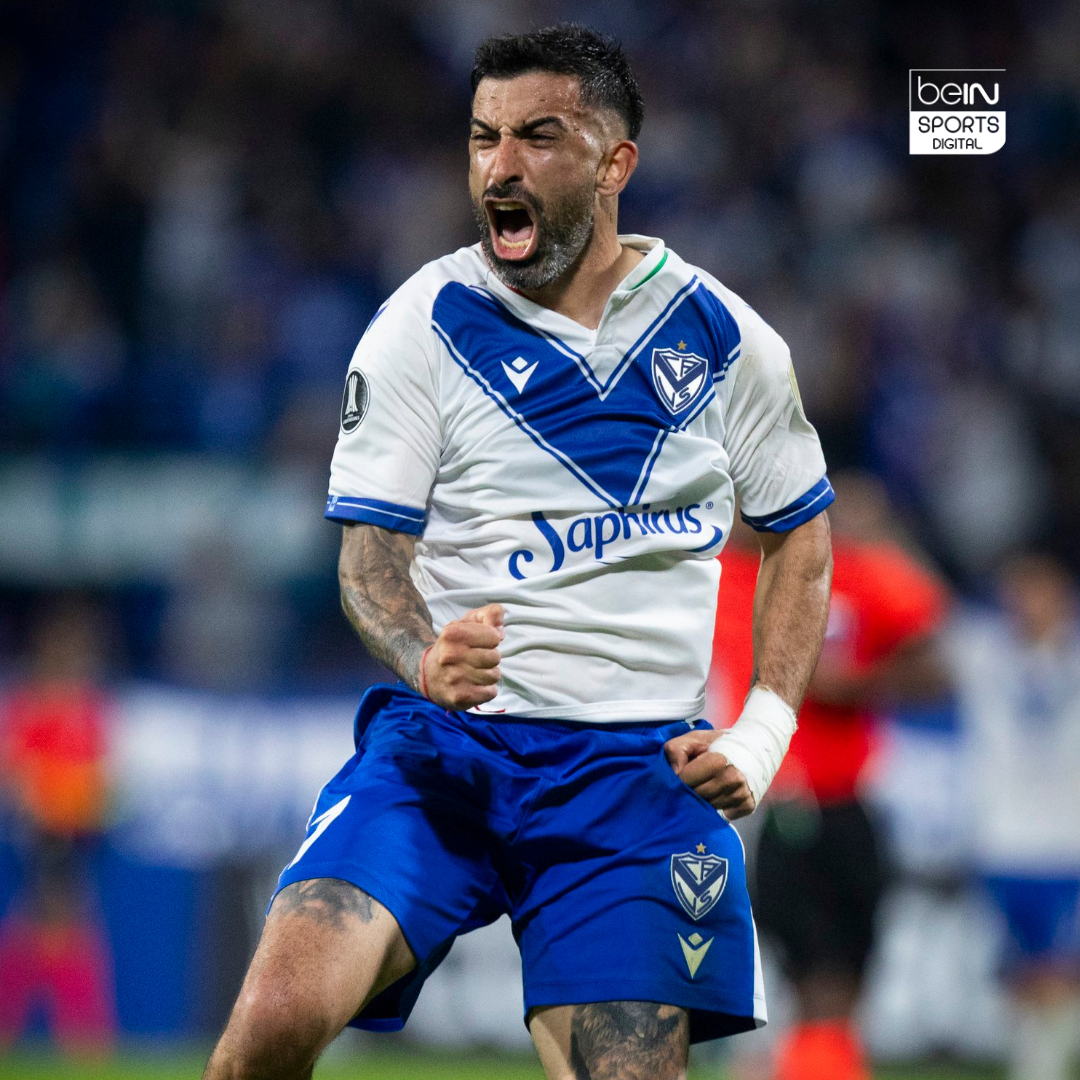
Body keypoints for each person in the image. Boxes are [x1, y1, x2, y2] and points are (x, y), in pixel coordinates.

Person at [204, 25, 834, 1080]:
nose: (499, 166)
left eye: (538, 137)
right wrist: (422, 656)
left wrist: (765, 731)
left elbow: (800, 535)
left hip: (633, 780)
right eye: (483, 137)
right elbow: (368, 560)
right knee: (265, 1033)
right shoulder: (424, 324)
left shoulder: (728, 341)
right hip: (444, 755)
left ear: (614, 163)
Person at [709, 472, 949, 1080]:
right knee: (814, 981)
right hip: (775, 806)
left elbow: (937, 664)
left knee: (843, 985)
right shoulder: (718, 574)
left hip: (851, 803)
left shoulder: (854, 572)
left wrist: (856, 683)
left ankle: (806, 1062)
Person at [950, 553, 1080, 1080]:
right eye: (1018, 590)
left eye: (1038, 589)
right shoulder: (981, 650)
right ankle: (1037, 1058)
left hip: (1068, 839)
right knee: (1017, 969)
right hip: (1001, 839)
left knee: (1061, 964)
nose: (1027, 602)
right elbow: (922, 604)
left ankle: (1043, 1063)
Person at [0, 597, 116, 1054]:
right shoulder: (35, 706)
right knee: (60, 925)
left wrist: (90, 802)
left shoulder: (87, 707)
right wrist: (42, 807)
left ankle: (75, 1032)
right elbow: (16, 772)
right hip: (46, 830)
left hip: (78, 832)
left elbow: (98, 774)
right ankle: (83, 1034)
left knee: (46, 926)